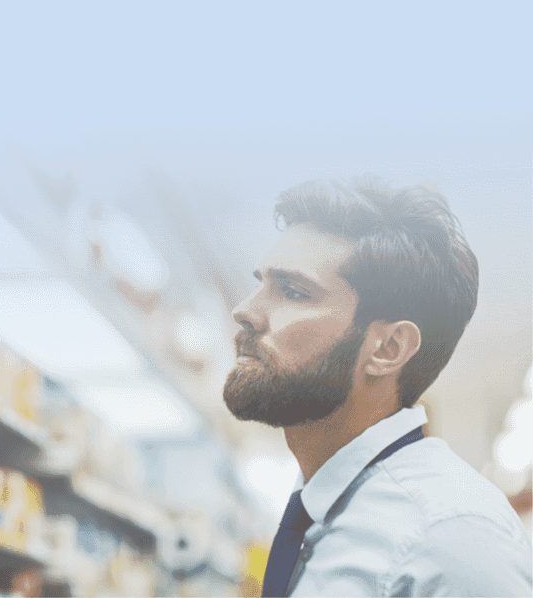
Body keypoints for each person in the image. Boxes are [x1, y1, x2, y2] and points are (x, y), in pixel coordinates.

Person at [223, 176, 532, 597]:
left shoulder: (451, 541)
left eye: (293, 291)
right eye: (261, 283)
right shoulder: (323, 506)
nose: (245, 311)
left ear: (387, 347)